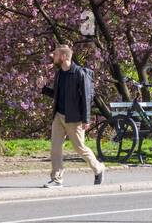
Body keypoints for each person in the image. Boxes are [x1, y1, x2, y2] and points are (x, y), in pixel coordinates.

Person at [40, 44, 105, 188]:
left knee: (80, 148)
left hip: (74, 118)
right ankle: (57, 178)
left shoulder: (79, 73)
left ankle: (98, 168)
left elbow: (87, 98)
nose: (53, 56)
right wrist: (43, 89)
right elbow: (57, 95)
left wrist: (86, 119)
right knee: (55, 148)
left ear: (63, 57)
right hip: (58, 116)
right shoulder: (59, 73)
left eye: (55, 54)